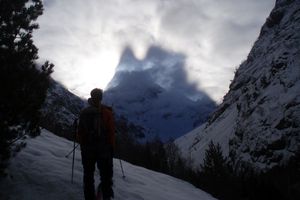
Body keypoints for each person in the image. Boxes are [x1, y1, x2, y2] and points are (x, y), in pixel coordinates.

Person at [77, 88, 115, 200]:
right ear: (101, 98)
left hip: (87, 149)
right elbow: (111, 132)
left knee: (88, 176)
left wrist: (83, 145)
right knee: (106, 176)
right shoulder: (107, 113)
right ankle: (106, 196)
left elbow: (80, 133)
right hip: (103, 150)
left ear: (91, 96)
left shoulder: (84, 112)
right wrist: (112, 147)